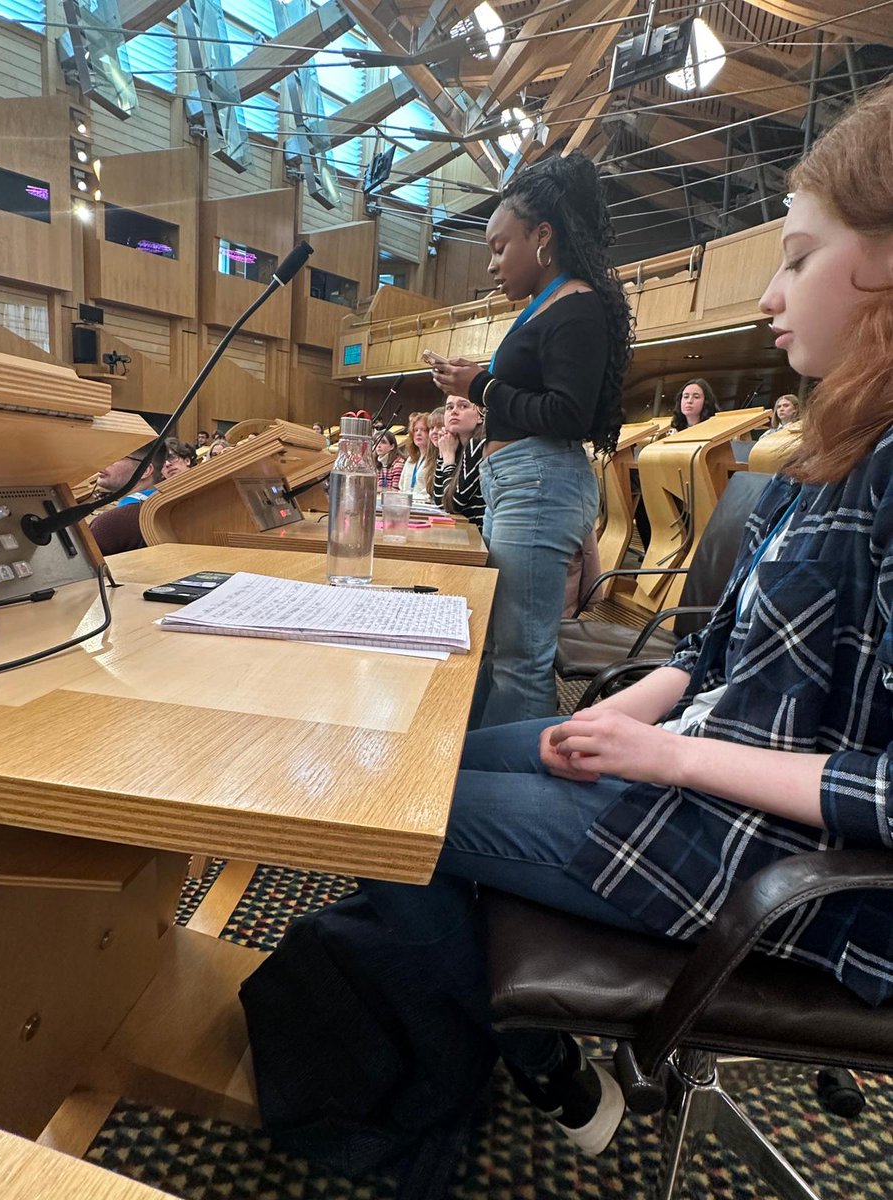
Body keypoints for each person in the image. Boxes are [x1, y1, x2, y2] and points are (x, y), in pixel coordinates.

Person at [360, 86, 893, 1156]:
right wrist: (640, 718)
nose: (768, 296)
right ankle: (511, 1042)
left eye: (795, 258)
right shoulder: (836, 452)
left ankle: (542, 1067)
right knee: (411, 762)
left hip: (770, 859)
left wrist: (666, 759)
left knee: (385, 816)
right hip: (706, 777)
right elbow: (717, 655)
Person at [427, 152, 632, 727]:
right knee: (497, 648)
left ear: (544, 236)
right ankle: (485, 767)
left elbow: (568, 413)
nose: (492, 264)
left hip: (539, 484)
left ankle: (513, 780)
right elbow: (531, 398)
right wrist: (479, 380)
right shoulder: (551, 305)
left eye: (499, 246)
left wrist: (483, 384)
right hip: (519, 482)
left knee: (521, 657)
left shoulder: (577, 305)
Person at [88, 440, 167, 556]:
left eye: (115, 457)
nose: (101, 462)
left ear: (145, 470)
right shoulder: (167, 506)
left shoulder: (111, 523)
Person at [433, 396, 486, 527]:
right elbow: (440, 502)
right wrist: (443, 454)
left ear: (480, 416)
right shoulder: (456, 447)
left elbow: (453, 504)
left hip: (480, 539)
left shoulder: (479, 443)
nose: (454, 411)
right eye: (449, 407)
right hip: (466, 533)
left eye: (463, 406)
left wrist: (448, 459)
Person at [398, 411, 431, 503]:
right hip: (406, 506)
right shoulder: (411, 459)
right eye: (415, 430)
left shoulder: (436, 460)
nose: (418, 433)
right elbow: (401, 486)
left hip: (425, 508)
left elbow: (431, 493)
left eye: (423, 430)